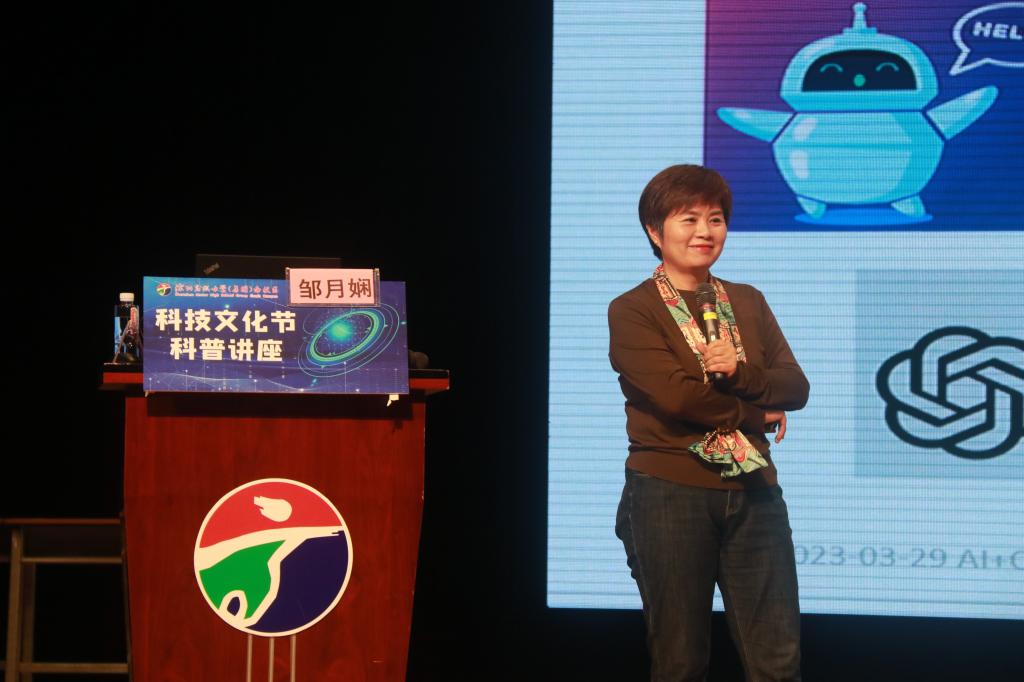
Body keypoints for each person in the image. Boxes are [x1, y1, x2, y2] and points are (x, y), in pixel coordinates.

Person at [609, 164, 809, 681]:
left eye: (715, 219)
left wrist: (741, 373)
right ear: (655, 232)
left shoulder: (747, 300)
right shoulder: (633, 309)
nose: (705, 231)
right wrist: (755, 413)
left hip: (755, 489)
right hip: (669, 491)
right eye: (689, 219)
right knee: (681, 662)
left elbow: (795, 388)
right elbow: (678, 399)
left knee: (778, 661)